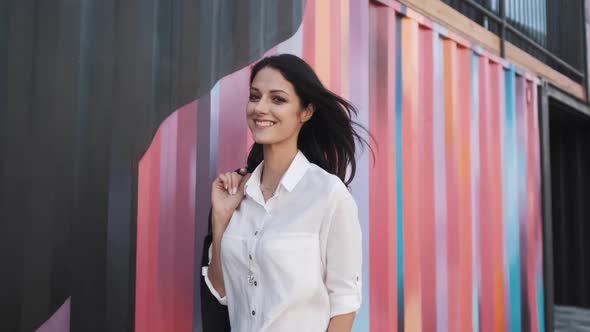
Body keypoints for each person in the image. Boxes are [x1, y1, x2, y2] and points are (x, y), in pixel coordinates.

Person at [202, 54, 371, 332]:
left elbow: (345, 304)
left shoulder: (328, 194)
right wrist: (220, 219)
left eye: (277, 99)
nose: (261, 108)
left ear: (305, 112)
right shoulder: (237, 194)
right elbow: (222, 293)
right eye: (255, 96)